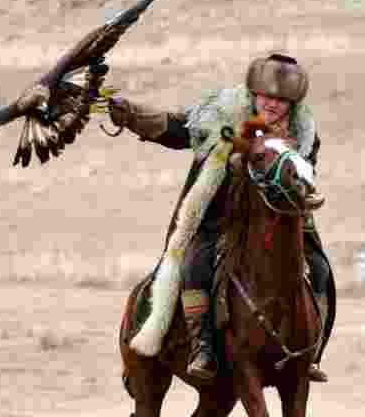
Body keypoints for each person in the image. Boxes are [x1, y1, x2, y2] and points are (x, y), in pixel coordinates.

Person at [108, 53, 334, 385]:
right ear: (254, 93)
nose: (272, 104)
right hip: (219, 216)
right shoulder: (222, 117)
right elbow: (176, 129)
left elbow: (302, 177)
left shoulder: (303, 135)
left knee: (320, 269)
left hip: (278, 221)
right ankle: (203, 348)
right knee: (194, 266)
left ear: (293, 103)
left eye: (282, 99)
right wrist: (131, 115)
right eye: (267, 95)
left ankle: (310, 354)